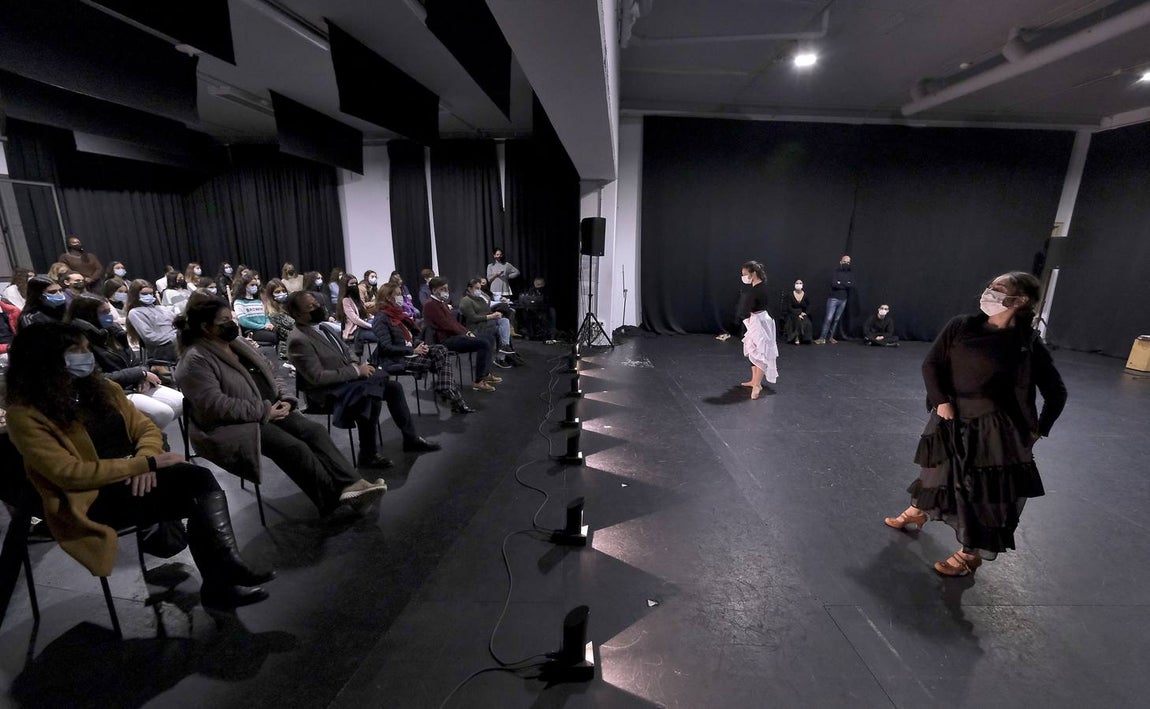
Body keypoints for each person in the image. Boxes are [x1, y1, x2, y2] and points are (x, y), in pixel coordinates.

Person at [6, 322, 274, 609]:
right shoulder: (25, 415)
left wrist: (143, 463)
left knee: (197, 482)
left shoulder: (104, 389)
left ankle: (223, 574)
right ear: (45, 361)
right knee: (195, 485)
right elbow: (69, 474)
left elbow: (146, 430)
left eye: (86, 349)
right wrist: (144, 464)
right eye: (76, 351)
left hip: (135, 476)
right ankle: (224, 575)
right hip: (90, 499)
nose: (87, 356)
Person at [883, 272, 1067, 577]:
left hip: (993, 429)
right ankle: (918, 511)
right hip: (949, 415)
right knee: (935, 468)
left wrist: (1038, 429)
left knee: (982, 491)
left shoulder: (1026, 344)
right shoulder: (961, 326)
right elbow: (931, 363)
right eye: (990, 286)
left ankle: (971, 554)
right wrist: (941, 401)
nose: (989, 292)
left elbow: (1056, 392)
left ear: (1020, 300)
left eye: (999, 289)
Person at [175, 297, 388, 515]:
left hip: (270, 408)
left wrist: (286, 399)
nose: (232, 323)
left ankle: (353, 485)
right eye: (225, 320)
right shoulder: (195, 360)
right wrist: (265, 410)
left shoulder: (238, 344)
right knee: (294, 448)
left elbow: (272, 372)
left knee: (314, 431)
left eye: (232, 318)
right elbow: (216, 406)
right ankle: (334, 503)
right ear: (205, 327)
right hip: (231, 425)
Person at [287, 291, 440, 466]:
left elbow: (347, 350)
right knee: (370, 394)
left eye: (316, 303)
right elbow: (317, 377)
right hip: (327, 392)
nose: (317, 308)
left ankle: (410, 439)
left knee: (393, 388)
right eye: (310, 307)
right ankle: (367, 454)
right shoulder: (298, 339)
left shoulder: (324, 327)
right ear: (297, 314)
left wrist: (354, 364)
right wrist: (356, 371)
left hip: (347, 381)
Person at [66, 295, 184, 429]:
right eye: (103, 313)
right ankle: (146, 438)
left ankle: (148, 436)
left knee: (180, 401)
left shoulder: (114, 333)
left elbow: (136, 360)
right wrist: (139, 373)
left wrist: (142, 376)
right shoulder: (80, 342)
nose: (109, 315)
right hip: (112, 390)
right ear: (89, 315)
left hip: (134, 383)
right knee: (163, 413)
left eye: (109, 311)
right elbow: (99, 378)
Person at [372, 282, 474, 414]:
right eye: (398, 295)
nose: (401, 297)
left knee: (441, 350)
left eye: (401, 294)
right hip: (395, 358)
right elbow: (387, 347)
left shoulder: (398, 315)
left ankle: (445, 388)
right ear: (388, 298)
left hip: (410, 352)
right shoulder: (381, 318)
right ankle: (456, 401)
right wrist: (413, 350)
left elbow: (409, 338)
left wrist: (420, 345)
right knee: (438, 363)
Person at [423, 277, 499, 392]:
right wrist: (466, 333)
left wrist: (467, 332)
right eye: (443, 289)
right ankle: (478, 381)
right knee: (483, 343)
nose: (446, 292)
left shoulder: (441, 303)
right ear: (434, 291)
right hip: (444, 341)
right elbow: (446, 325)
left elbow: (453, 323)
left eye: (446, 289)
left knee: (489, 338)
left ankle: (486, 373)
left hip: (453, 336)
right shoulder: (430, 305)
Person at [737, 260, 778, 400]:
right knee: (752, 349)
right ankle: (754, 380)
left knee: (761, 351)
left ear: (753, 273)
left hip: (760, 321)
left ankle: (757, 385)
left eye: (745, 274)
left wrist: (747, 311)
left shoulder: (760, 289)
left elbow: (756, 305)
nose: (744, 277)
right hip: (754, 320)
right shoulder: (755, 288)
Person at [460, 277, 514, 369]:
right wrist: (491, 316)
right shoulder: (466, 300)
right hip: (476, 327)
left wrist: (495, 314)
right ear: (469, 289)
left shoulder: (480, 298)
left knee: (504, 322)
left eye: (480, 288)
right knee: (500, 329)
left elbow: (487, 310)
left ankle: (504, 348)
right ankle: (501, 356)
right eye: (477, 288)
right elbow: (473, 318)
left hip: (487, 323)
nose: (479, 291)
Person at [125, 280, 179, 362]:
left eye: (151, 293)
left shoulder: (162, 308)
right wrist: (174, 337)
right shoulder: (135, 312)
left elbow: (178, 323)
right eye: (144, 294)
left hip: (177, 341)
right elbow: (150, 337)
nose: (149, 296)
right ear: (135, 295)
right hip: (161, 348)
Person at [815, 255, 854, 345]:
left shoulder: (850, 273)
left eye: (848, 262)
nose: (846, 264)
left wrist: (841, 282)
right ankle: (822, 338)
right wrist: (845, 283)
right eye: (845, 261)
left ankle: (830, 337)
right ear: (841, 261)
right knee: (828, 318)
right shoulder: (835, 271)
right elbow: (834, 284)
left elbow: (851, 285)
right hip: (833, 298)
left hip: (843, 299)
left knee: (836, 319)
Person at [233, 272, 277, 347]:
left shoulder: (258, 301)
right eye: (252, 285)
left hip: (264, 328)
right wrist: (263, 326)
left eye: (256, 285)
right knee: (275, 337)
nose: (255, 287)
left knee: (282, 333)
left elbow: (265, 316)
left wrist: (268, 324)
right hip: (252, 331)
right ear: (244, 286)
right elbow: (244, 322)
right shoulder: (239, 302)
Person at [336, 273, 376, 353]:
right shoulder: (345, 300)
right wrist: (371, 326)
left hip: (363, 326)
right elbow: (355, 319)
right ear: (345, 286)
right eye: (351, 283)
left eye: (355, 283)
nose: (354, 285)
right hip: (355, 331)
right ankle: (373, 361)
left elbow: (365, 314)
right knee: (381, 337)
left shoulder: (356, 299)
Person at [263, 278, 296, 359]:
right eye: (277, 292)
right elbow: (286, 333)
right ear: (271, 295)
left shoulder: (289, 306)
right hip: (288, 350)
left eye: (284, 291)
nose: (282, 293)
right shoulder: (273, 314)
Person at [518, 277, 557, 342]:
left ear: (543, 284)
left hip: (545, 309)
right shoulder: (531, 290)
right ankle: (529, 334)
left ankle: (550, 335)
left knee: (551, 312)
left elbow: (548, 302)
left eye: (540, 284)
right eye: (536, 284)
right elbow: (527, 299)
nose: (538, 286)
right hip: (534, 309)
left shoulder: (548, 291)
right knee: (525, 312)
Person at [782, 278, 813, 345]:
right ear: (794, 285)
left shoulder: (805, 295)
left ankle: (805, 338)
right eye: (797, 283)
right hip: (792, 313)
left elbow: (809, 305)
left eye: (800, 283)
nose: (798, 285)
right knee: (797, 321)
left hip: (802, 313)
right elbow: (789, 307)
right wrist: (798, 313)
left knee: (807, 322)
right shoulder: (790, 295)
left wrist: (805, 313)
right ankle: (796, 337)